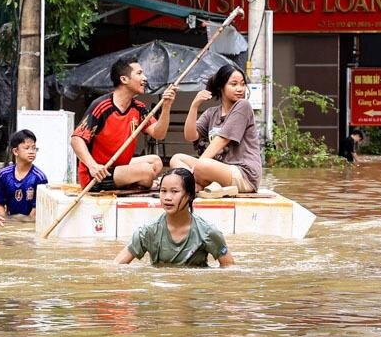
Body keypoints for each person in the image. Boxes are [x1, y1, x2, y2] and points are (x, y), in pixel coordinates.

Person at [72, 55, 178, 191]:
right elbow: (76, 139)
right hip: (98, 175)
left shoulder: (138, 107)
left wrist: (167, 106)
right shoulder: (102, 106)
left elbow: (159, 134)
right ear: (124, 79)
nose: (145, 78)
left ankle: (135, 181)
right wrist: (93, 166)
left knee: (156, 162)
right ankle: (139, 181)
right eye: (139, 73)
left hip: (119, 167)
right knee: (146, 171)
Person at [172, 62, 262, 195]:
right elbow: (190, 136)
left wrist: (196, 167)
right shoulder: (212, 113)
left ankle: (194, 184)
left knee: (202, 165)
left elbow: (222, 139)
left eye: (242, 84)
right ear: (221, 87)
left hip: (244, 174)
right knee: (177, 159)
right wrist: (194, 106)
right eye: (234, 84)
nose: (240, 89)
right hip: (218, 171)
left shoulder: (244, 106)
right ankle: (201, 185)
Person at [115, 168, 234, 268]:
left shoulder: (207, 232)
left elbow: (229, 269)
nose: (167, 197)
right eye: (163, 191)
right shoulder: (148, 231)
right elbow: (117, 265)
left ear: (189, 195)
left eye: (174, 191)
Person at [0, 128, 48, 217]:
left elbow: (37, 210)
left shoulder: (40, 177)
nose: (32, 152)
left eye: (34, 148)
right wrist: (5, 224)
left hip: (29, 223)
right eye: (27, 148)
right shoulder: (4, 174)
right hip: (10, 222)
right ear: (15, 151)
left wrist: (23, 226)